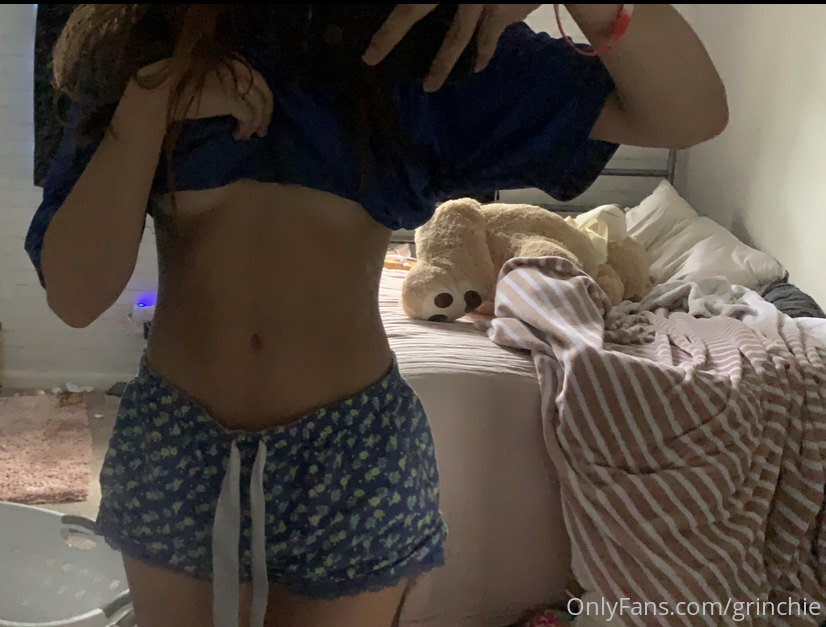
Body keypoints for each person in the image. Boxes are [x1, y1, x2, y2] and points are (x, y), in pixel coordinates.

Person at [24, 4, 727, 626]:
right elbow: (76, 295)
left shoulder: (424, 40)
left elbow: (690, 114)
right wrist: (148, 105)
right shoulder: (137, 37)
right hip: (175, 440)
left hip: (353, 452)